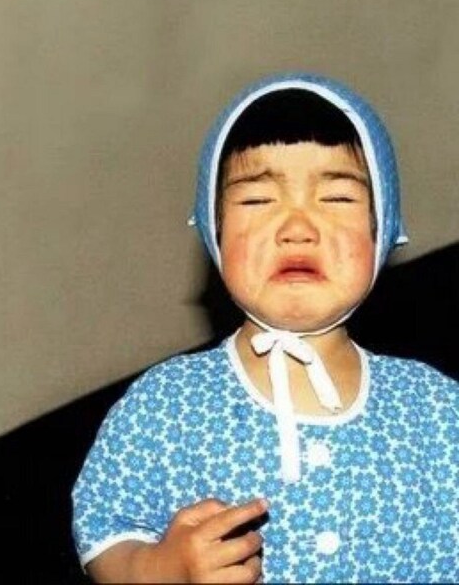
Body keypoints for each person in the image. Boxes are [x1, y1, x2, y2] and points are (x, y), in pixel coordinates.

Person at [71, 73, 459, 583]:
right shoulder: (165, 405)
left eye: (337, 199)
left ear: (382, 229)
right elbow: (105, 530)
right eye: (257, 200)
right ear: (214, 229)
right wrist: (160, 568)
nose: (297, 228)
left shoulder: (437, 410)